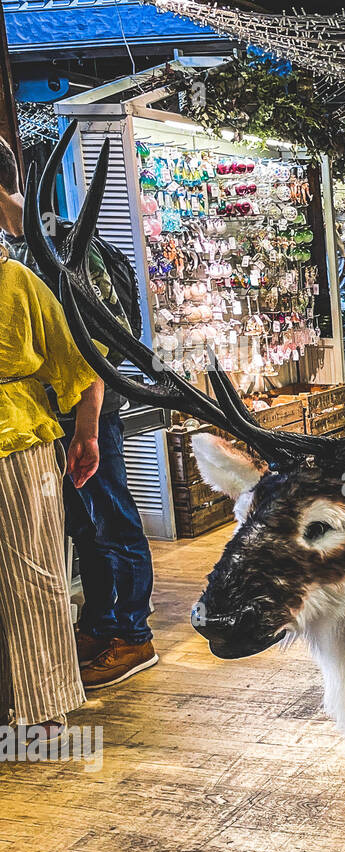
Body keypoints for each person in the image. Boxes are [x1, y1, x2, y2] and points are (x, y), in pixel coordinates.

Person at [0, 136, 158, 689]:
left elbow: (101, 341)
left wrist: (87, 426)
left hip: (87, 405)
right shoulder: (10, 248)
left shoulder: (64, 240)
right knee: (80, 524)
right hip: (42, 414)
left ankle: (134, 636)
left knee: (112, 517)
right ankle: (98, 622)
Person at [0, 245, 104, 740]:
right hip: (21, 438)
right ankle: (40, 708)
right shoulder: (16, 278)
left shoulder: (16, 280)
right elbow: (79, 360)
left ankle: (43, 706)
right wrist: (86, 433)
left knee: (33, 572)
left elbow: (80, 361)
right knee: (34, 571)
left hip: (18, 438)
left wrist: (87, 432)